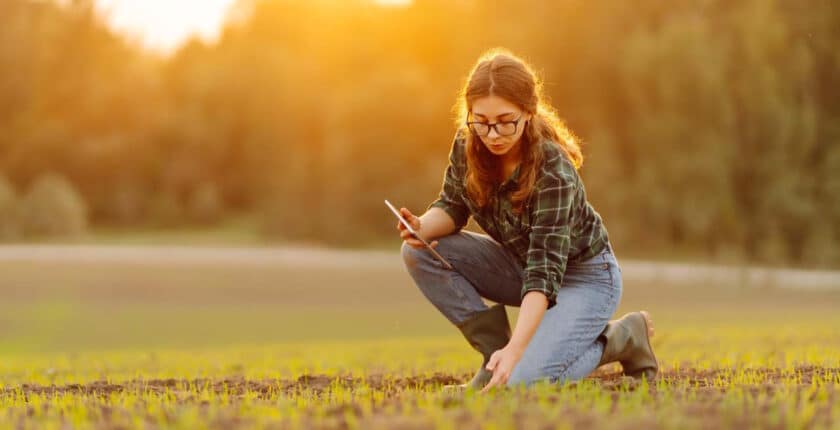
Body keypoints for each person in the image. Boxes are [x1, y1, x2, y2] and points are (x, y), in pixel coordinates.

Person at [398, 49, 658, 392]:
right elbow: (453, 205)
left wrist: (517, 351)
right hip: (521, 265)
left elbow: (543, 273)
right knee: (417, 252)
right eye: (481, 121)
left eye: (506, 120)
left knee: (523, 383)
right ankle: (493, 358)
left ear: (529, 112)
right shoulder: (467, 144)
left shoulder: (554, 171)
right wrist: (421, 226)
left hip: (585, 278)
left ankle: (622, 337)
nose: (492, 134)